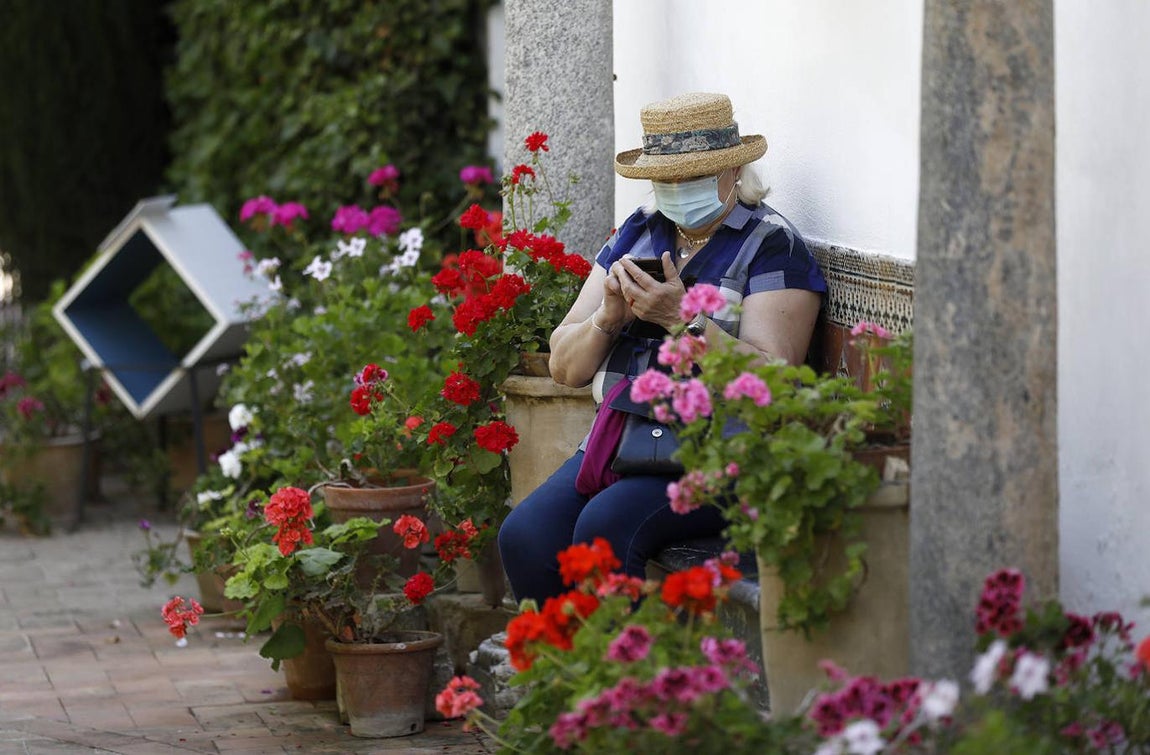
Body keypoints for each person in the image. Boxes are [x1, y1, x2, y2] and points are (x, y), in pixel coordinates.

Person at [498, 92, 827, 603]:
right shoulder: (639, 233)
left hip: (715, 455)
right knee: (526, 535)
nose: (676, 190)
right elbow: (563, 367)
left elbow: (776, 383)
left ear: (733, 173)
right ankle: (563, 678)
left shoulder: (771, 246)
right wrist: (607, 319)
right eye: (665, 178)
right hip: (621, 442)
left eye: (690, 177)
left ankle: (627, 678)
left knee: (605, 527)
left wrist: (681, 319)